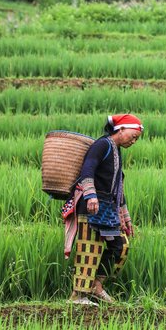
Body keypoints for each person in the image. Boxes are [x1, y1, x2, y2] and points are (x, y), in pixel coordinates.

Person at [62, 114, 143, 306]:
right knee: (90, 247)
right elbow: (87, 169)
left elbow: (117, 185)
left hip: (106, 207)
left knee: (120, 246)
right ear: (120, 129)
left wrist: (124, 215)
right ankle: (77, 295)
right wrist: (90, 195)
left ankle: (96, 285)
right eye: (133, 135)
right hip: (91, 206)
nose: (134, 141)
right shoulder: (102, 145)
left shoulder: (116, 149)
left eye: (137, 139)